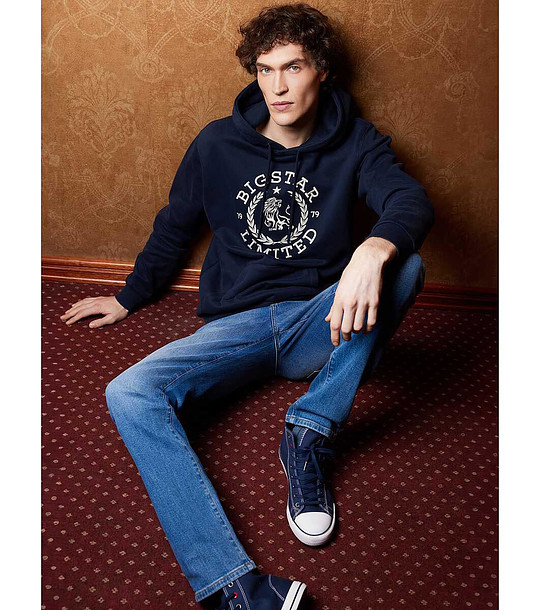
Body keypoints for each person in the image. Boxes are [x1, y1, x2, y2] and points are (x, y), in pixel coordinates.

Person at [60, 3, 435, 608]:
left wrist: (373, 250)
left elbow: (409, 201)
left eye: (294, 67)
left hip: (321, 320)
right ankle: (233, 588)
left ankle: (309, 431)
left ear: (322, 72)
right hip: (237, 326)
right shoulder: (217, 143)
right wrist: (129, 296)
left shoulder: (358, 141)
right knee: (128, 393)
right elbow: (175, 224)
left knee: (405, 265)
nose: (278, 86)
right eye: (265, 70)